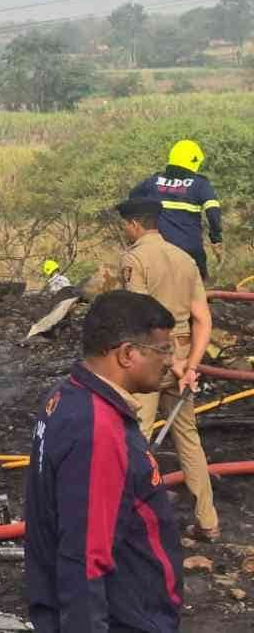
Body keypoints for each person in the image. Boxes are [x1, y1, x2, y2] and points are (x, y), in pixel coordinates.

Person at [24, 289, 183, 633]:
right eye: (163, 350)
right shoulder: (99, 429)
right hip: (122, 619)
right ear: (127, 354)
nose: (171, 360)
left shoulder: (66, 397)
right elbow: (85, 559)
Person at [117, 197, 219, 541]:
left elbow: (143, 318)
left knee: (138, 436)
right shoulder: (184, 258)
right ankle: (208, 521)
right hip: (183, 353)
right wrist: (190, 365)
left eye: (125, 225)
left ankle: (132, 522)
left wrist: (171, 363)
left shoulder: (134, 259)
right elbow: (203, 319)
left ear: (133, 224)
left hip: (150, 357)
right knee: (188, 438)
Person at [129, 139, 223, 280]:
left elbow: (132, 198)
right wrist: (216, 238)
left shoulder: (153, 181)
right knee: (199, 290)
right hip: (190, 251)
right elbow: (213, 213)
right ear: (194, 161)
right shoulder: (200, 183)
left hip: (158, 250)